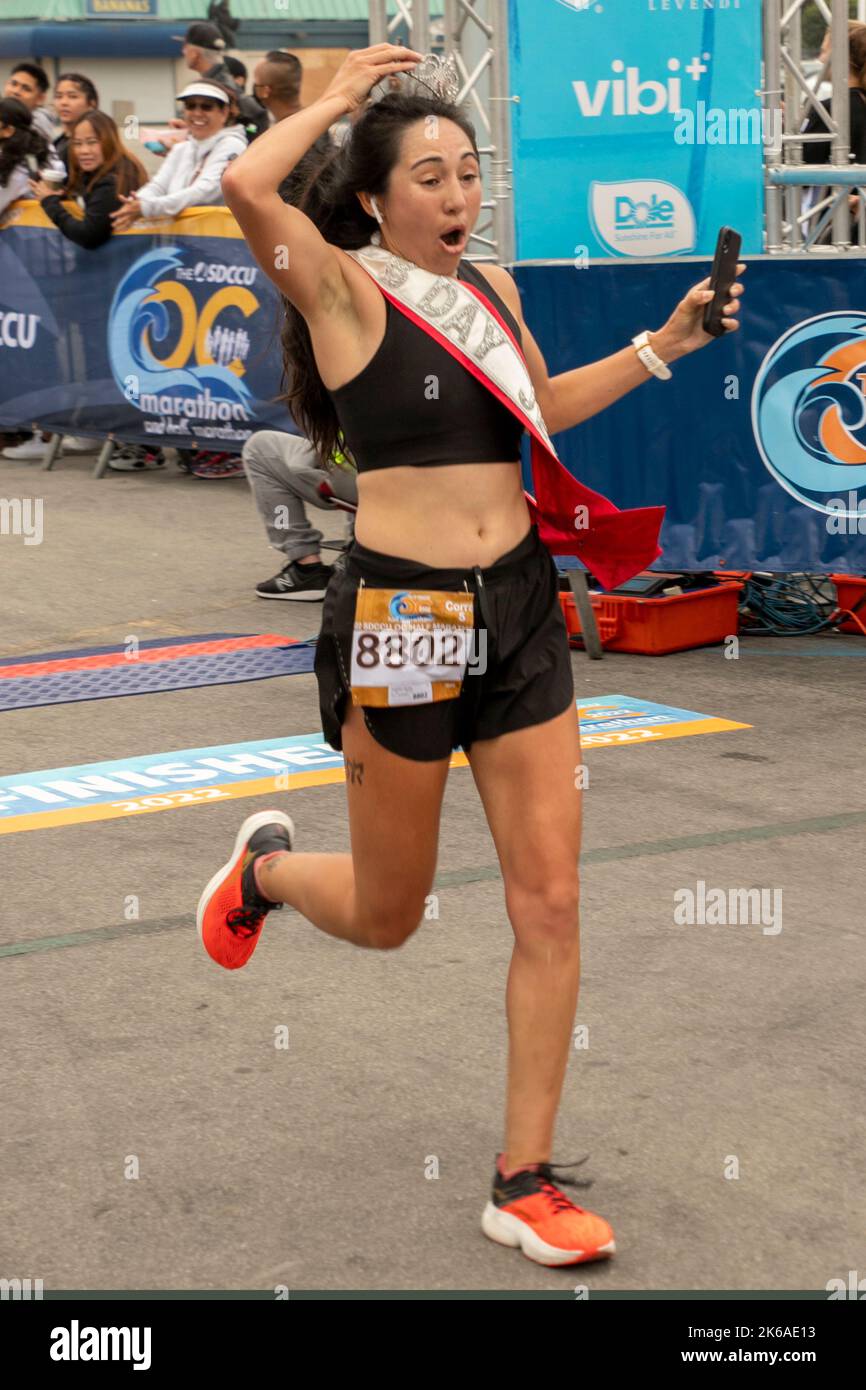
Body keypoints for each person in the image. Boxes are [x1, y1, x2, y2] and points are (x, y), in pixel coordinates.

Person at [197, 44, 745, 1269]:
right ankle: (268, 873)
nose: (457, 197)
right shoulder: (341, 290)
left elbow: (538, 411)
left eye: (468, 172)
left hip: (517, 607)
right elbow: (246, 191)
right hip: (402, 616)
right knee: (391, 913)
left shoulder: (487, 289)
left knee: (549, 896)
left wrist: (670, 341)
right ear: (375, 201)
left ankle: (522, 1177)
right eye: (430, 178)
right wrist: (334, 102)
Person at [110, 82, 245, 231]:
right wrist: (134, 204)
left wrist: (147, 207)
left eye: (206, 106)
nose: (197, 113)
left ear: (224, 112)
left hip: (221, 240)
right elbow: (158, 186)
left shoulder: (232, 145)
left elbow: (206, 191)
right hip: (184, 239)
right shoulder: (182, 148)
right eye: (190, 106)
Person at [242, 430, 357, 599]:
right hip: (402, 482)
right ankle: (358, 550)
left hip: (367, 482)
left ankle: (306, 568)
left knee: (260, 448)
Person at [29, 110, 147, 250]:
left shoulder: (112, 181)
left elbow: (89, 235)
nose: (84, 150)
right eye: (77, 144)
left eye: (92, 142)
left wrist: (49, 202)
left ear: (109, 141)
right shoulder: (96, 171)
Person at [802, 21, 866, 239]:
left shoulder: (832, 110)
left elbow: (798, 164)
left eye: (824, 52)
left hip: (832, 230)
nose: (820, 60)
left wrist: (779, 127)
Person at [175, 22, 268, 141]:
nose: (183, 52)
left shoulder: (217, 88)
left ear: (194, 54)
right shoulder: (220, 81)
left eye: (185, 47)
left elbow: (251, 127)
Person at [52, 72, 99, 169]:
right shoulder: (57, 143)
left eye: (73, 96)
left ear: (91, 104)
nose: (63, 103)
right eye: (58, 96)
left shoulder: (98, 144)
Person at [3, 63, 55, 142]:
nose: (16, 91)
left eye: (26, 89)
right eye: (13, 84)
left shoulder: (37, 126)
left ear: (40, 99)